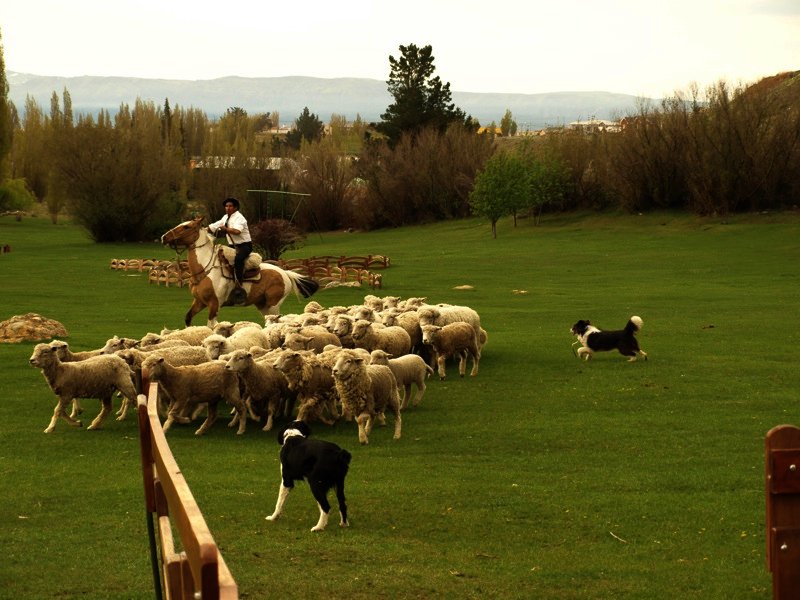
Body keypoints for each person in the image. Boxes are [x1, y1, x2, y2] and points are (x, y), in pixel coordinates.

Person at [208, 197, 252, 305]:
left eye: (230, 206)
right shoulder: (225, 217)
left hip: (244, 246)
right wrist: (202, 229)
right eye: (226, 206)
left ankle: (239, 285)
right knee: (219, 257)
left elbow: (237, 231)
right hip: (232, 245)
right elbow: (215, 225)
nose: (227, 208)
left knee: (238, 259)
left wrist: (225, 229)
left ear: (235, 207)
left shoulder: (239, 218)